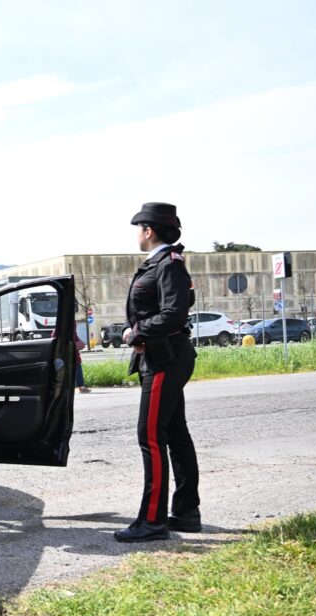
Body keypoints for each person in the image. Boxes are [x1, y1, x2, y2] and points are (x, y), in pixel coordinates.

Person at [116, 202, 201, 543]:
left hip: (165, 360)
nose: (137, 235)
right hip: (161, 356)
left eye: (139, 229)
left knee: (150, 436)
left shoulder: (168, 265)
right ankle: (185, 512)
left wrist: (136, 333)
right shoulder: (160, 264)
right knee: (175, 434)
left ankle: (152, 521)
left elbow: (174, 314)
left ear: (148, 230)